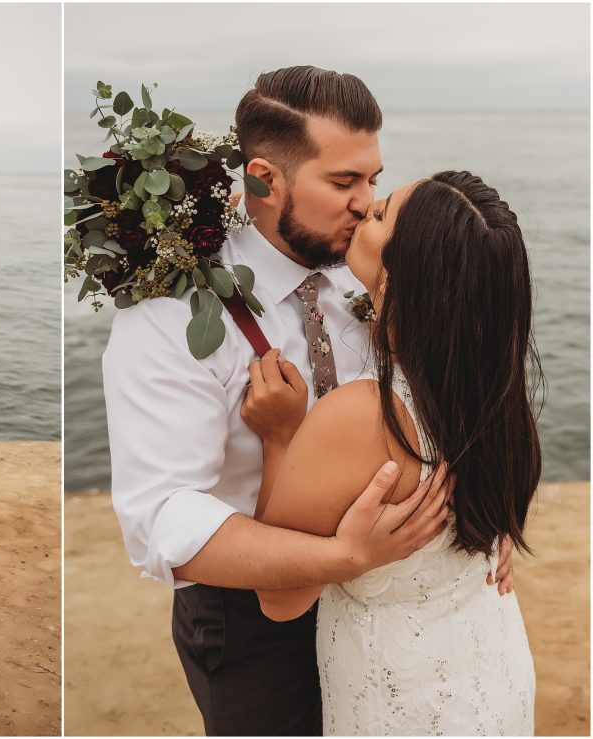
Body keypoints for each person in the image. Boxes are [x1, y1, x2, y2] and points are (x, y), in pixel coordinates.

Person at [101, 67, 511, 735]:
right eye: (345, 182)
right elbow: (162, 516)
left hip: (380, 605)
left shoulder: (376, 272)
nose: (366, 204)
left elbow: (452, 386)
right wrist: (343, 557)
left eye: (374, 180)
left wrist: (483, 522)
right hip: (253, 620)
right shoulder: (171, 316)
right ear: (264, 179)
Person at [243, 171, 539, 734]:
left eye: (380, 215)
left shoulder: (364, 417)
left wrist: (280, 438)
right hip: (492, 666)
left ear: (404, 275)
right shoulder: (496, 395)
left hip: (406, 702)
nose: (365, 207)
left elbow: (279, 599)